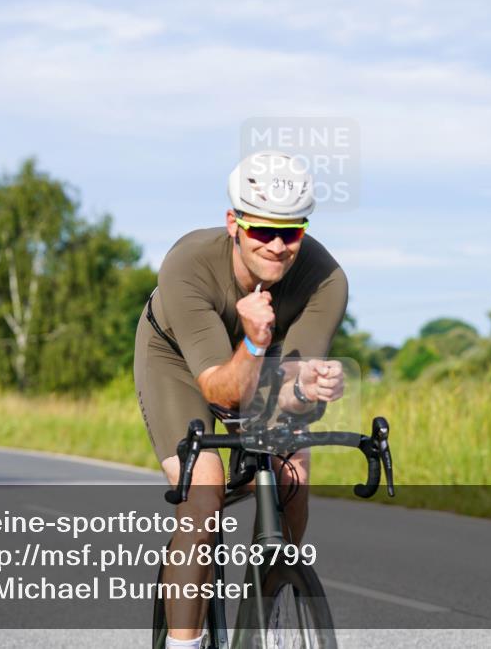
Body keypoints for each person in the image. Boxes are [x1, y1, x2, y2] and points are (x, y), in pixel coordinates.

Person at [134, 151, 348, 648]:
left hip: (262, 360)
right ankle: (186, 644)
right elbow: (218, 391)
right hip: (183, 363)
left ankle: (272, 610)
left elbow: (289, 378)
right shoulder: (188, 263)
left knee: (292, 475)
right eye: (261, 231)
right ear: (234, 223)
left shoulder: (326, 279)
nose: (276, 246)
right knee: (204, 490)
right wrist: (252, 341)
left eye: (290, 232)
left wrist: (306, 386)